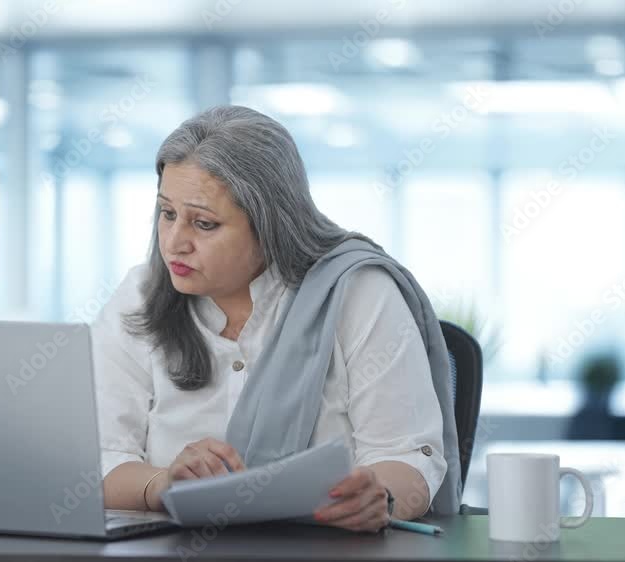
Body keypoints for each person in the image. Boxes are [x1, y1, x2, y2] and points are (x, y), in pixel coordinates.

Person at [92, 105, 446, 533]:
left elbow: (409, 456)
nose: (174, 242)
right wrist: (162, 484)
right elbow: (97, 460)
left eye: (204, 224)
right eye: (167, 214)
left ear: (270, 224)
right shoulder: (140, 295)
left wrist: (380, 498)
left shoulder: (356, 292)